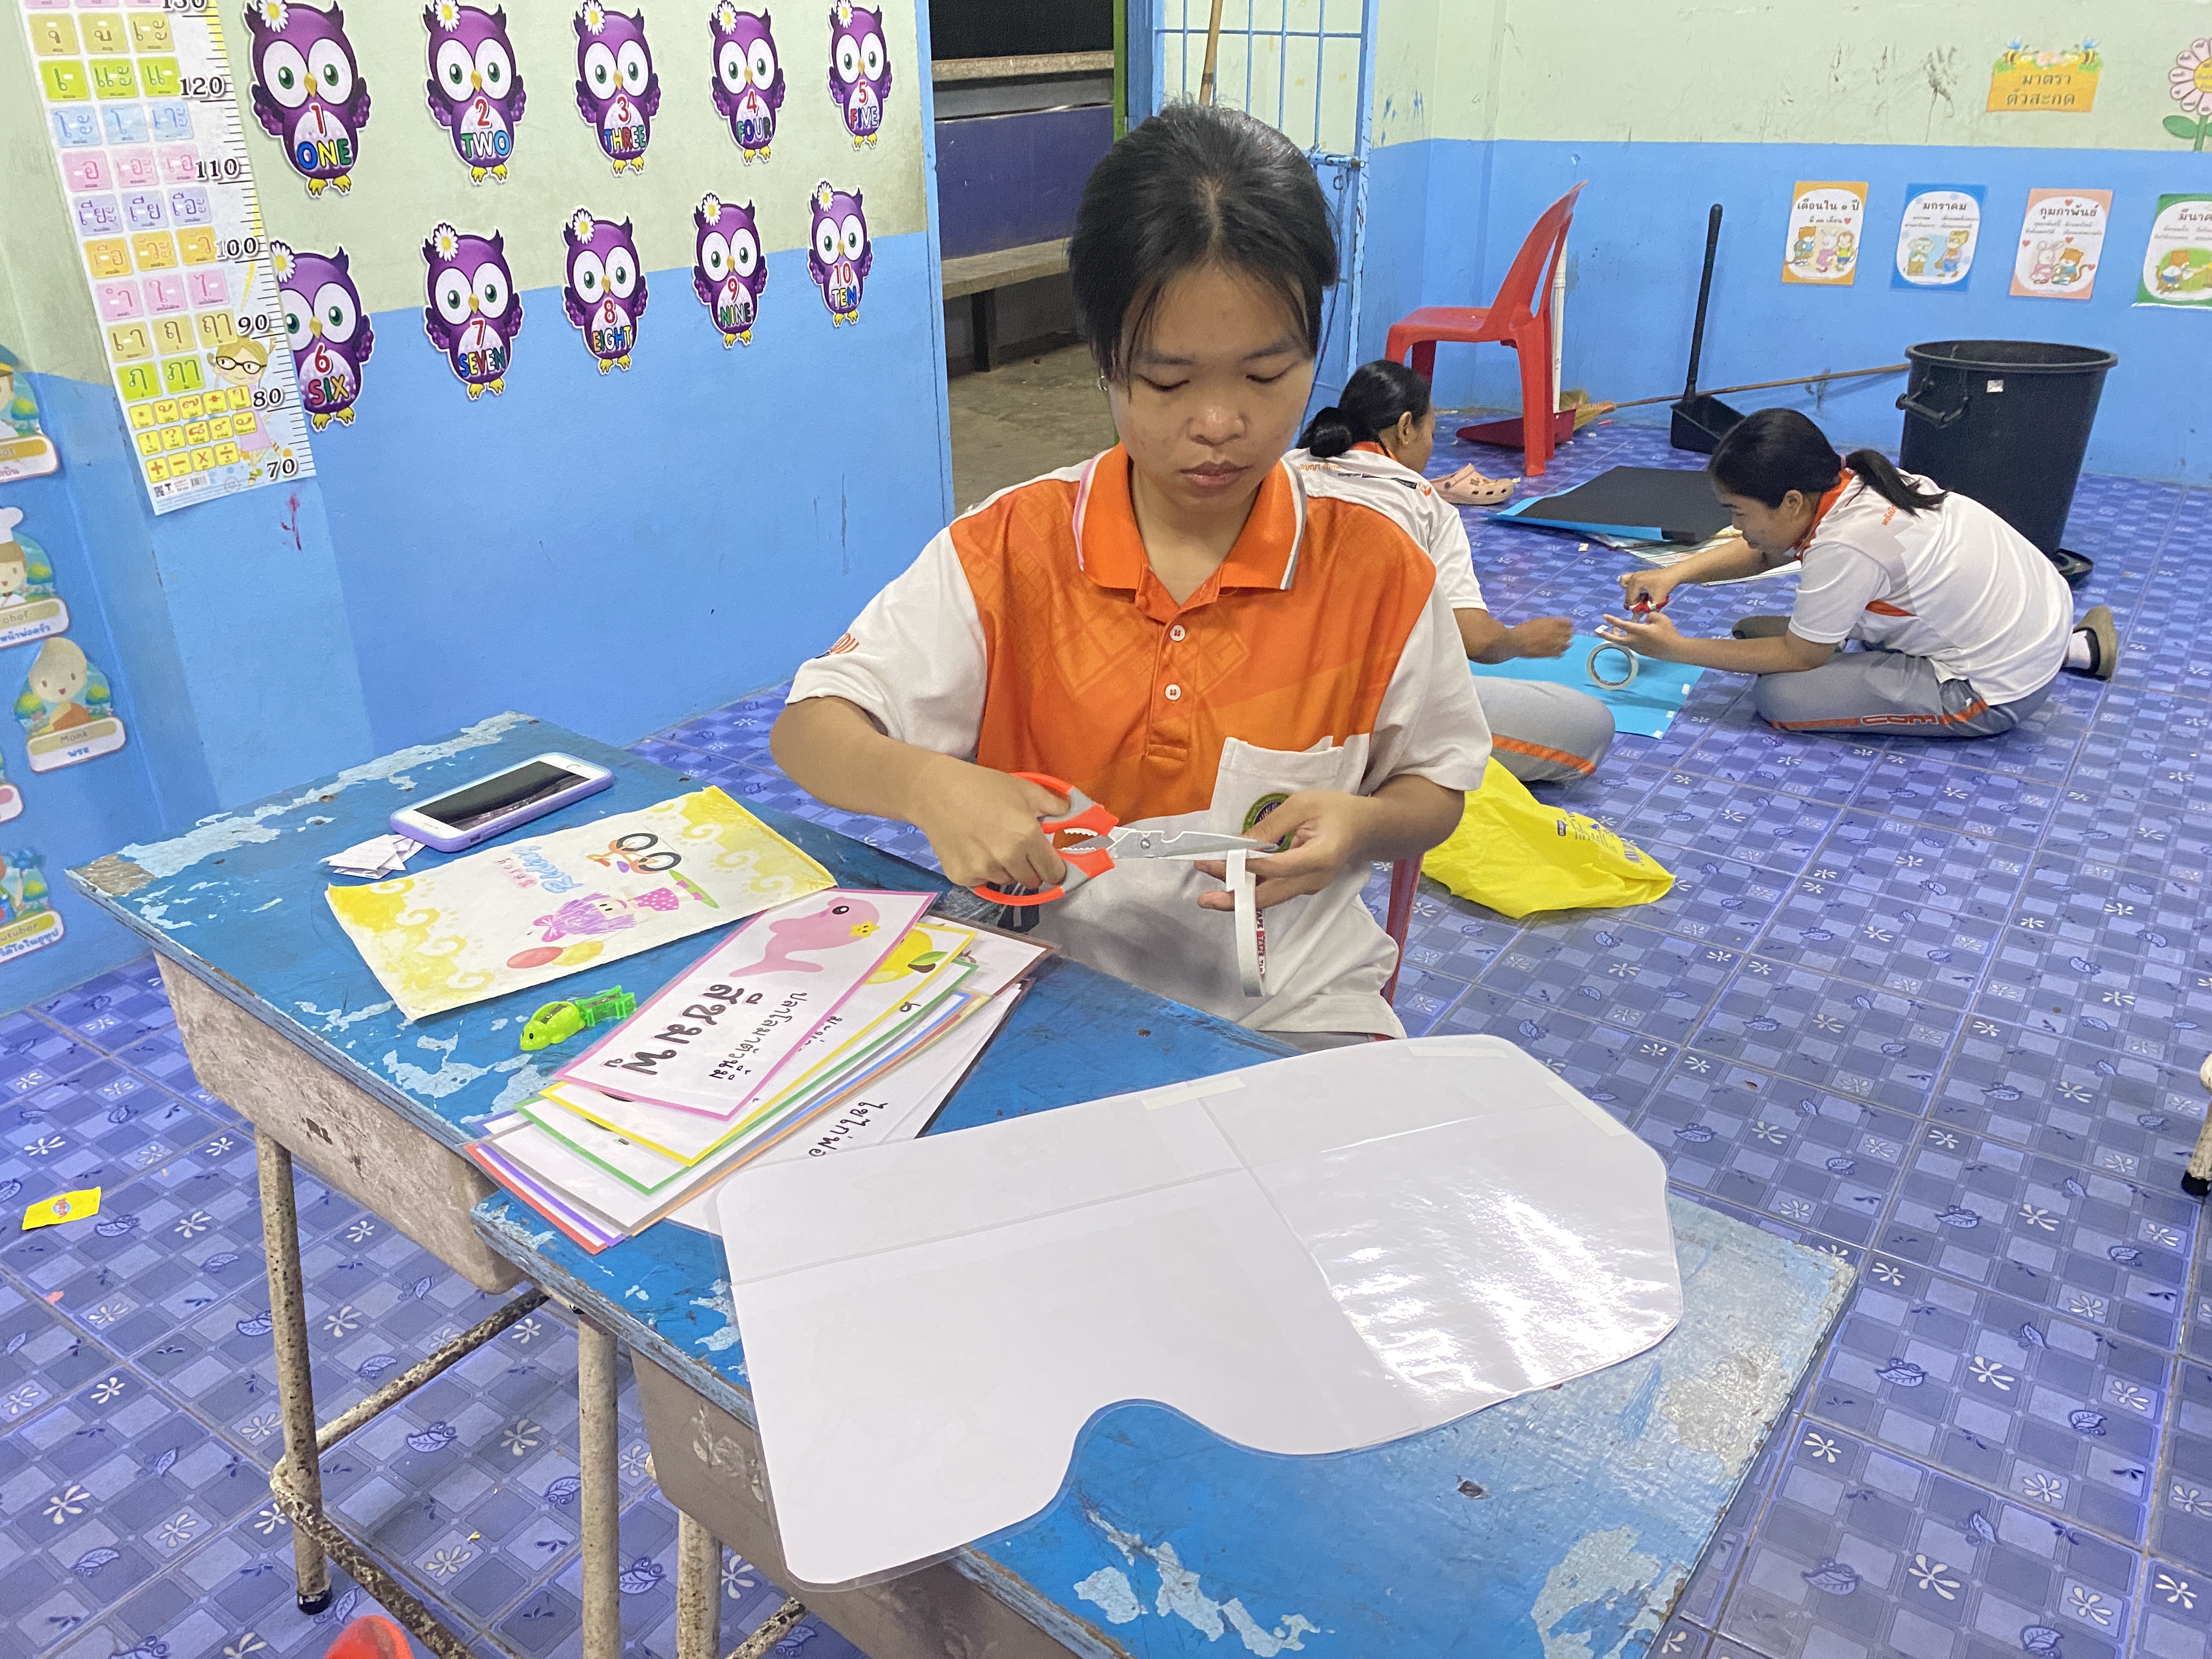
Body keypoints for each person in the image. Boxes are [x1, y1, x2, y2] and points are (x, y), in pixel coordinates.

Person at [771, 101, 1489, 1046]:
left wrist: (1362, 826)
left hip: (1293, 997)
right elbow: (810, 729)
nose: (1220, 423)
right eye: (1168, 381)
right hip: (1041, 980)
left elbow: (1436, 787)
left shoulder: (1379, 575)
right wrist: (923, 785)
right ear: (1104, 359)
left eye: (1265, 376)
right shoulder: (1012, 550)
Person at [1597, 407, 2117, 735]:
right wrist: (1676, 573)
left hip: (1992, 692)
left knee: (1781, 696)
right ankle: (2078, 650)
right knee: (1769, 640)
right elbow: (1765, 548)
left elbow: (1802, 658)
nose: (1735, 526)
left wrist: (1677, 649)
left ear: (1792, 501)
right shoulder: (1857, 483)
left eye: (1738, 512)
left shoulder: (1848, 546)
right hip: (2035, 621)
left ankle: (2056, 658)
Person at [1291, 359, 1616, 782]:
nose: (1431, 446)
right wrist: (1519, 641)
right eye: (1432, 431)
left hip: (1249, 696)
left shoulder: (1281, 471)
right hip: (1351, 719)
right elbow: (1475, 640)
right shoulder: (1425, 504)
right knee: (1592, 724)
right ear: (1405, 428)